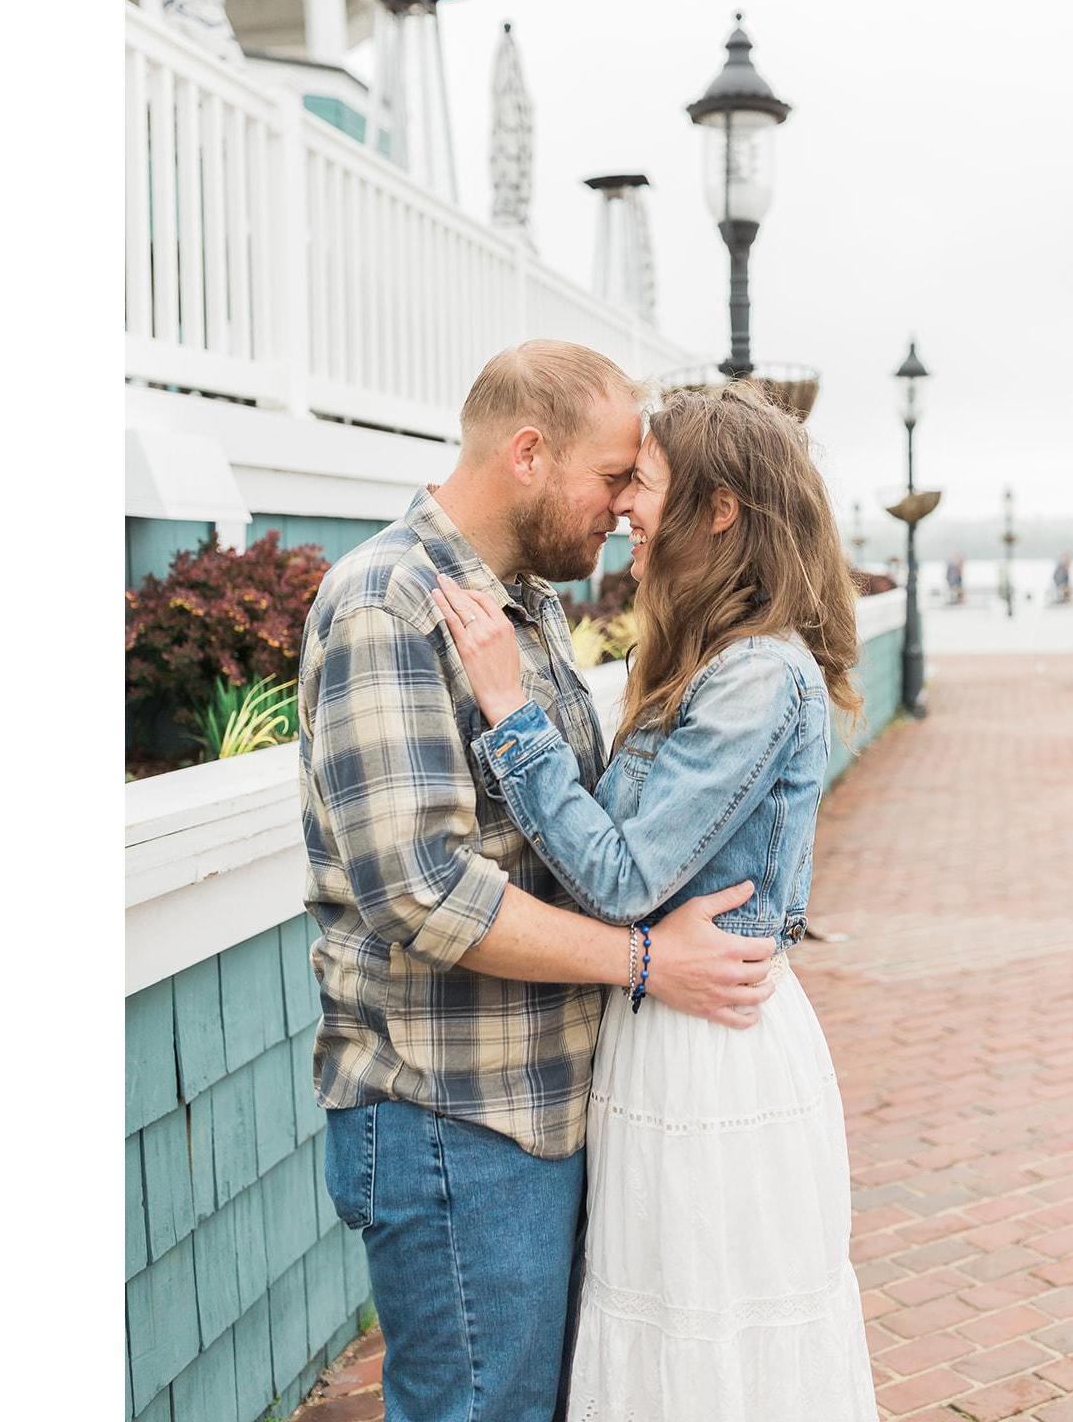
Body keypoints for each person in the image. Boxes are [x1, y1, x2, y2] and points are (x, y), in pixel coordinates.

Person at [299, 341, 777, 1422]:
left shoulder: (520, 603)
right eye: (613, 476)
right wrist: (652, 963)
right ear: (527, 452)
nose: (623, 505)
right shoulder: (387, 602)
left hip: (544, 1104)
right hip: (451, 1114)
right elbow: (420, 888)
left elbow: (572, 838)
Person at [434, 382, 878, 1421]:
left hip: (714, 1046)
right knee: (662, 1342)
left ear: (718, 510)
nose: (625, 502)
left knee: (714, 1349)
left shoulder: (760, 676)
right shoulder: (701, 660)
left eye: (645, 481)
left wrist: (508, 709)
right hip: (664, 1028)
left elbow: (625, 876)